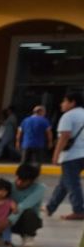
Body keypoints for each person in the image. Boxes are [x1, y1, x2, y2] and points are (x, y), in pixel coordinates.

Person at [47, 89, 84, 220]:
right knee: (64, 183)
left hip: (71, 155)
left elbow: (65, 136)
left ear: (72, 103)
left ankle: (79, 210)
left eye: (64, 101)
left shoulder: (68, 116)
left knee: (72, 183)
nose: (61, 104)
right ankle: (50, 207)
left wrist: (56, 155)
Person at [10, 164, 45, 247]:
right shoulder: (10, 185)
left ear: (32, 181)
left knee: (28, 212)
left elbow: (24, 205)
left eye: (24, 181)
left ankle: (28, 235)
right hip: (10, 216)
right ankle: (1, 235)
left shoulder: (39, 188)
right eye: (18, 178)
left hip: (26, 219)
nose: (19, 182)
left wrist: (8, 221)